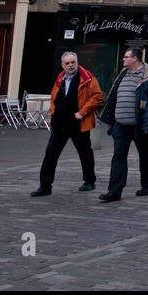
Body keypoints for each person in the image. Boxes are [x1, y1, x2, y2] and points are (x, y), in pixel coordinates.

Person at [32, 52, 102, 196]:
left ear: (77, 62)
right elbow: (54, 96)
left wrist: (82, 112)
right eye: (67, 63)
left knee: (85, 152)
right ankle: (45, 186)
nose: (70, 65)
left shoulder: (87, 77)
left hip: (78, 122)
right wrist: (53, 110)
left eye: (73, 62)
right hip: (59, 123)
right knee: (50, 154)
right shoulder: (60, 77)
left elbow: (97, 96)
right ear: (62, 65)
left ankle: (89, 180)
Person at [97, 48, 148, 201]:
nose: (123, 60)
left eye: (126, 57)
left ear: (136, 59)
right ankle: (114, 191)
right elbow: (113, 97)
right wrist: (111, 121)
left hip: (139, 125)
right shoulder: (122, 75)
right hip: (121, 125)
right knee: (118, 157)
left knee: (145, 155)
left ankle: (147, 185)